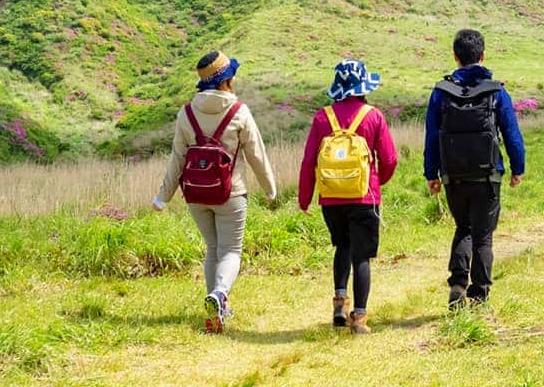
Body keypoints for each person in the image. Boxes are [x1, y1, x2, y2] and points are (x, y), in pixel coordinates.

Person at [153, 51, 277, 333]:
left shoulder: (186, 113)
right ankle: (219, 295)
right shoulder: (239, 112)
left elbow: (177, 159)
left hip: (196, 194)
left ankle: (215, 310)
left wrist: (163, 196)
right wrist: (270, 189)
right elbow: (256, 154)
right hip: (230, 193)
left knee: (212, 248)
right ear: (228, 79)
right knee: (231, 250)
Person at [424, 29, 525, 308]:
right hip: (488, 174)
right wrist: (518, 168)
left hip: (453, 176)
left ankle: (457, 285)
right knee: (483, 235)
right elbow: (512, 134)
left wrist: (431, 174)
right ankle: (479, 295)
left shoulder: (440, 93)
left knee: (462, 228)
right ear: (483, 55)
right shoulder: (497, 92)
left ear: (455, 57)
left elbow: (432, 136)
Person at [298, 59, 398, 334]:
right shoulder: (373, 116)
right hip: (364, 197)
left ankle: (340, 301)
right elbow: (389, 159)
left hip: (331, 198)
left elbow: (309, 161)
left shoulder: (322, 116)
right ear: (364, 86)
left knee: (342, 247)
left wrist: (305, 197)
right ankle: (360, 319)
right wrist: (376, 184)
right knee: (361, 258)